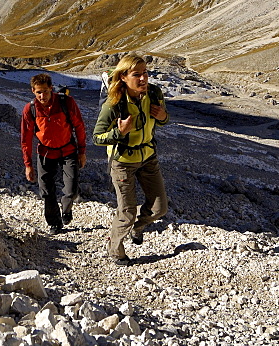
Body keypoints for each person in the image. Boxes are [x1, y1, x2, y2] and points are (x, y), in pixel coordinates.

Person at [93, 54, 169, 266]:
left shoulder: (154, 93)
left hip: (148, 157)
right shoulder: (114, 103)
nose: (144, 78)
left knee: (159, 208)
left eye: (145, 73)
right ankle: (115, 250)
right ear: (124, 77)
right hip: (123, 161)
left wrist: (163, 117)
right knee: (126, 212)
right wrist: (119, 132)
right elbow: (97, 137)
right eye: (137, 74)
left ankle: (137, 227)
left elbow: (162, 120)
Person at [21, 73, 87, 233]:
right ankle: (54, 223)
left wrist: (82, 151)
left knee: (71, 189)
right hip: (45, 153)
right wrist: (28, 165)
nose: (42, 96)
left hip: (68, 150)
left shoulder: (66, 102)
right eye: (38, 92)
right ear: (33, 91)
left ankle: (66, 208)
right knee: (46, 191)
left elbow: (79, 126)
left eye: (45, 91)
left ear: (51, 88)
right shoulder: (30, 109)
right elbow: (26, 138)